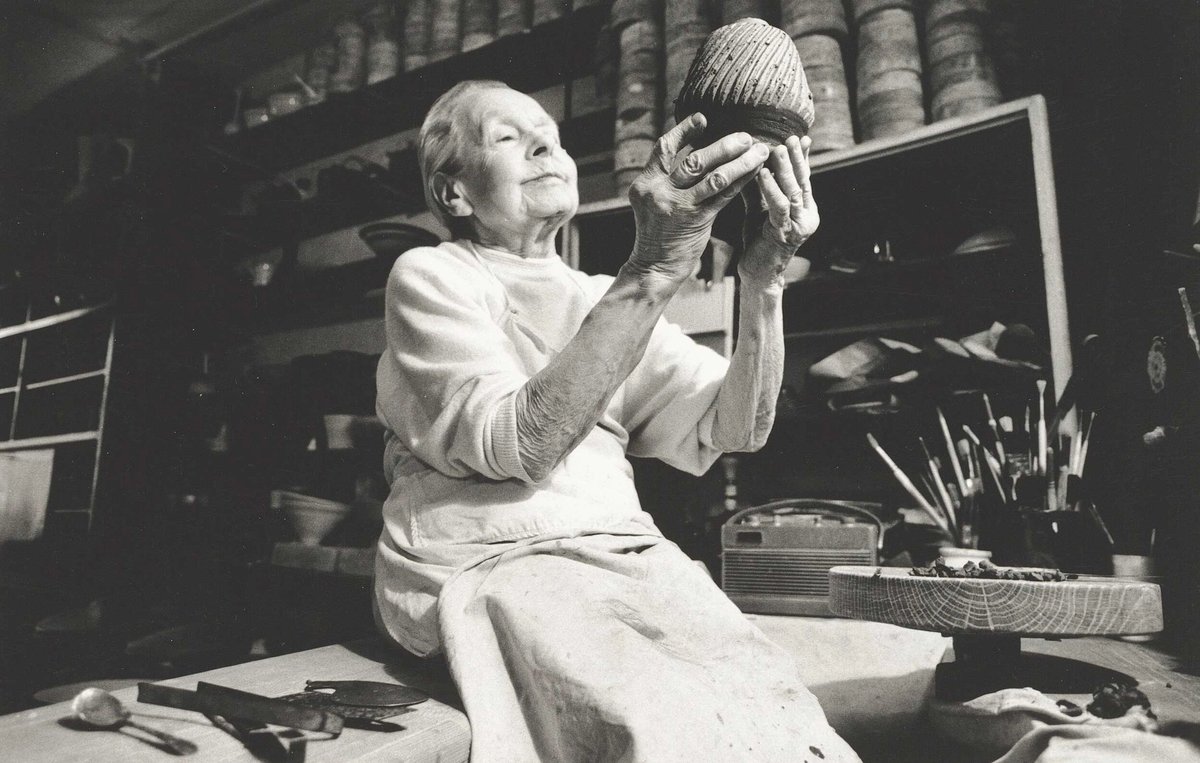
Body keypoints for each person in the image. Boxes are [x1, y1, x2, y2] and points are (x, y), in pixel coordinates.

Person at [374, 80, 859, 762]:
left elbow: (736, 426)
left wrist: (762, 281)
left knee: (780, 715)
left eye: (550, 132)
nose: (546, 143)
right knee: (665, 730)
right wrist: (658, 264)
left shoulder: (600, 295)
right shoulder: (432, 276)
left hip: (620, 555)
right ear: (454, 193)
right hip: (490, 557)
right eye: (508, 137)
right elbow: (522, 443)